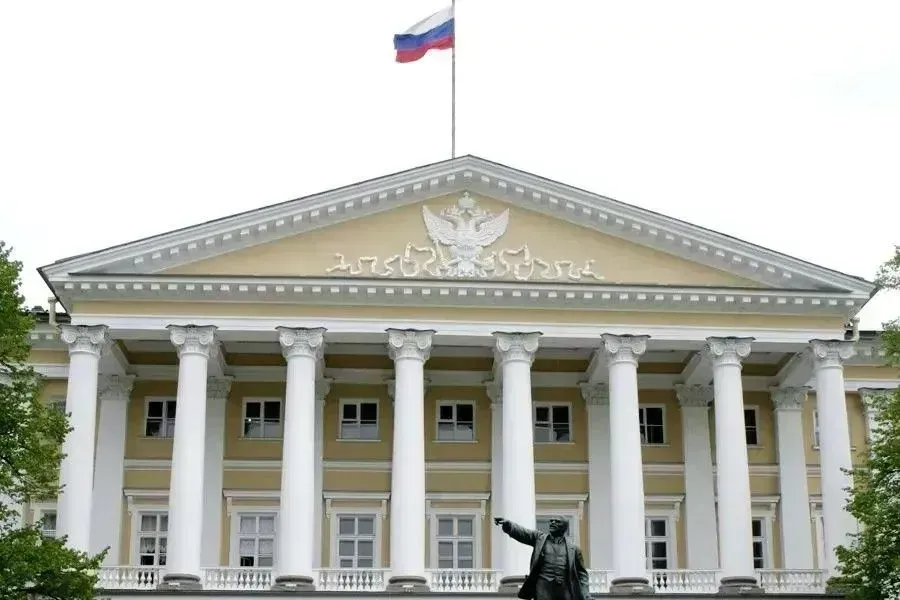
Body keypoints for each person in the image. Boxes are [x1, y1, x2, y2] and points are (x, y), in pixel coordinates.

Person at [493, 516, 590, 600]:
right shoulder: (539, 538)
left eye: (557, 521)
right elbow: (523, 533)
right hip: (543, 585)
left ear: (564, 527)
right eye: (551, 521)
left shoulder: (574, 549)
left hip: (564, 588)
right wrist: (509, 525)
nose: (552, 523)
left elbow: (582, 575)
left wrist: (585, 595)